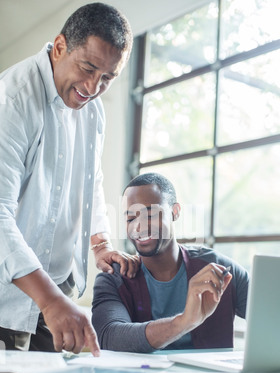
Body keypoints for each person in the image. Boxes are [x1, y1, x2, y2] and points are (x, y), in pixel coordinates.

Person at [0, 3, 139, 355]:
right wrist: (49, 299)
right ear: (60, 46)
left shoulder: (92, 110)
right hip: (8, 298)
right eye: (88, 67)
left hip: (54, 298)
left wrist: (101, 244)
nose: (93, 86)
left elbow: (88, 181)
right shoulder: (12, 99)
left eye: (108, 78)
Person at [92, 173, 249, 352]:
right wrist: (183, 322)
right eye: (130, 219)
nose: (139, 226)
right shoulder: (114, 278)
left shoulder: (221, 271)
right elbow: (109, 337)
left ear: (175, 212)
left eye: (150, 215)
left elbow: (273, 317)